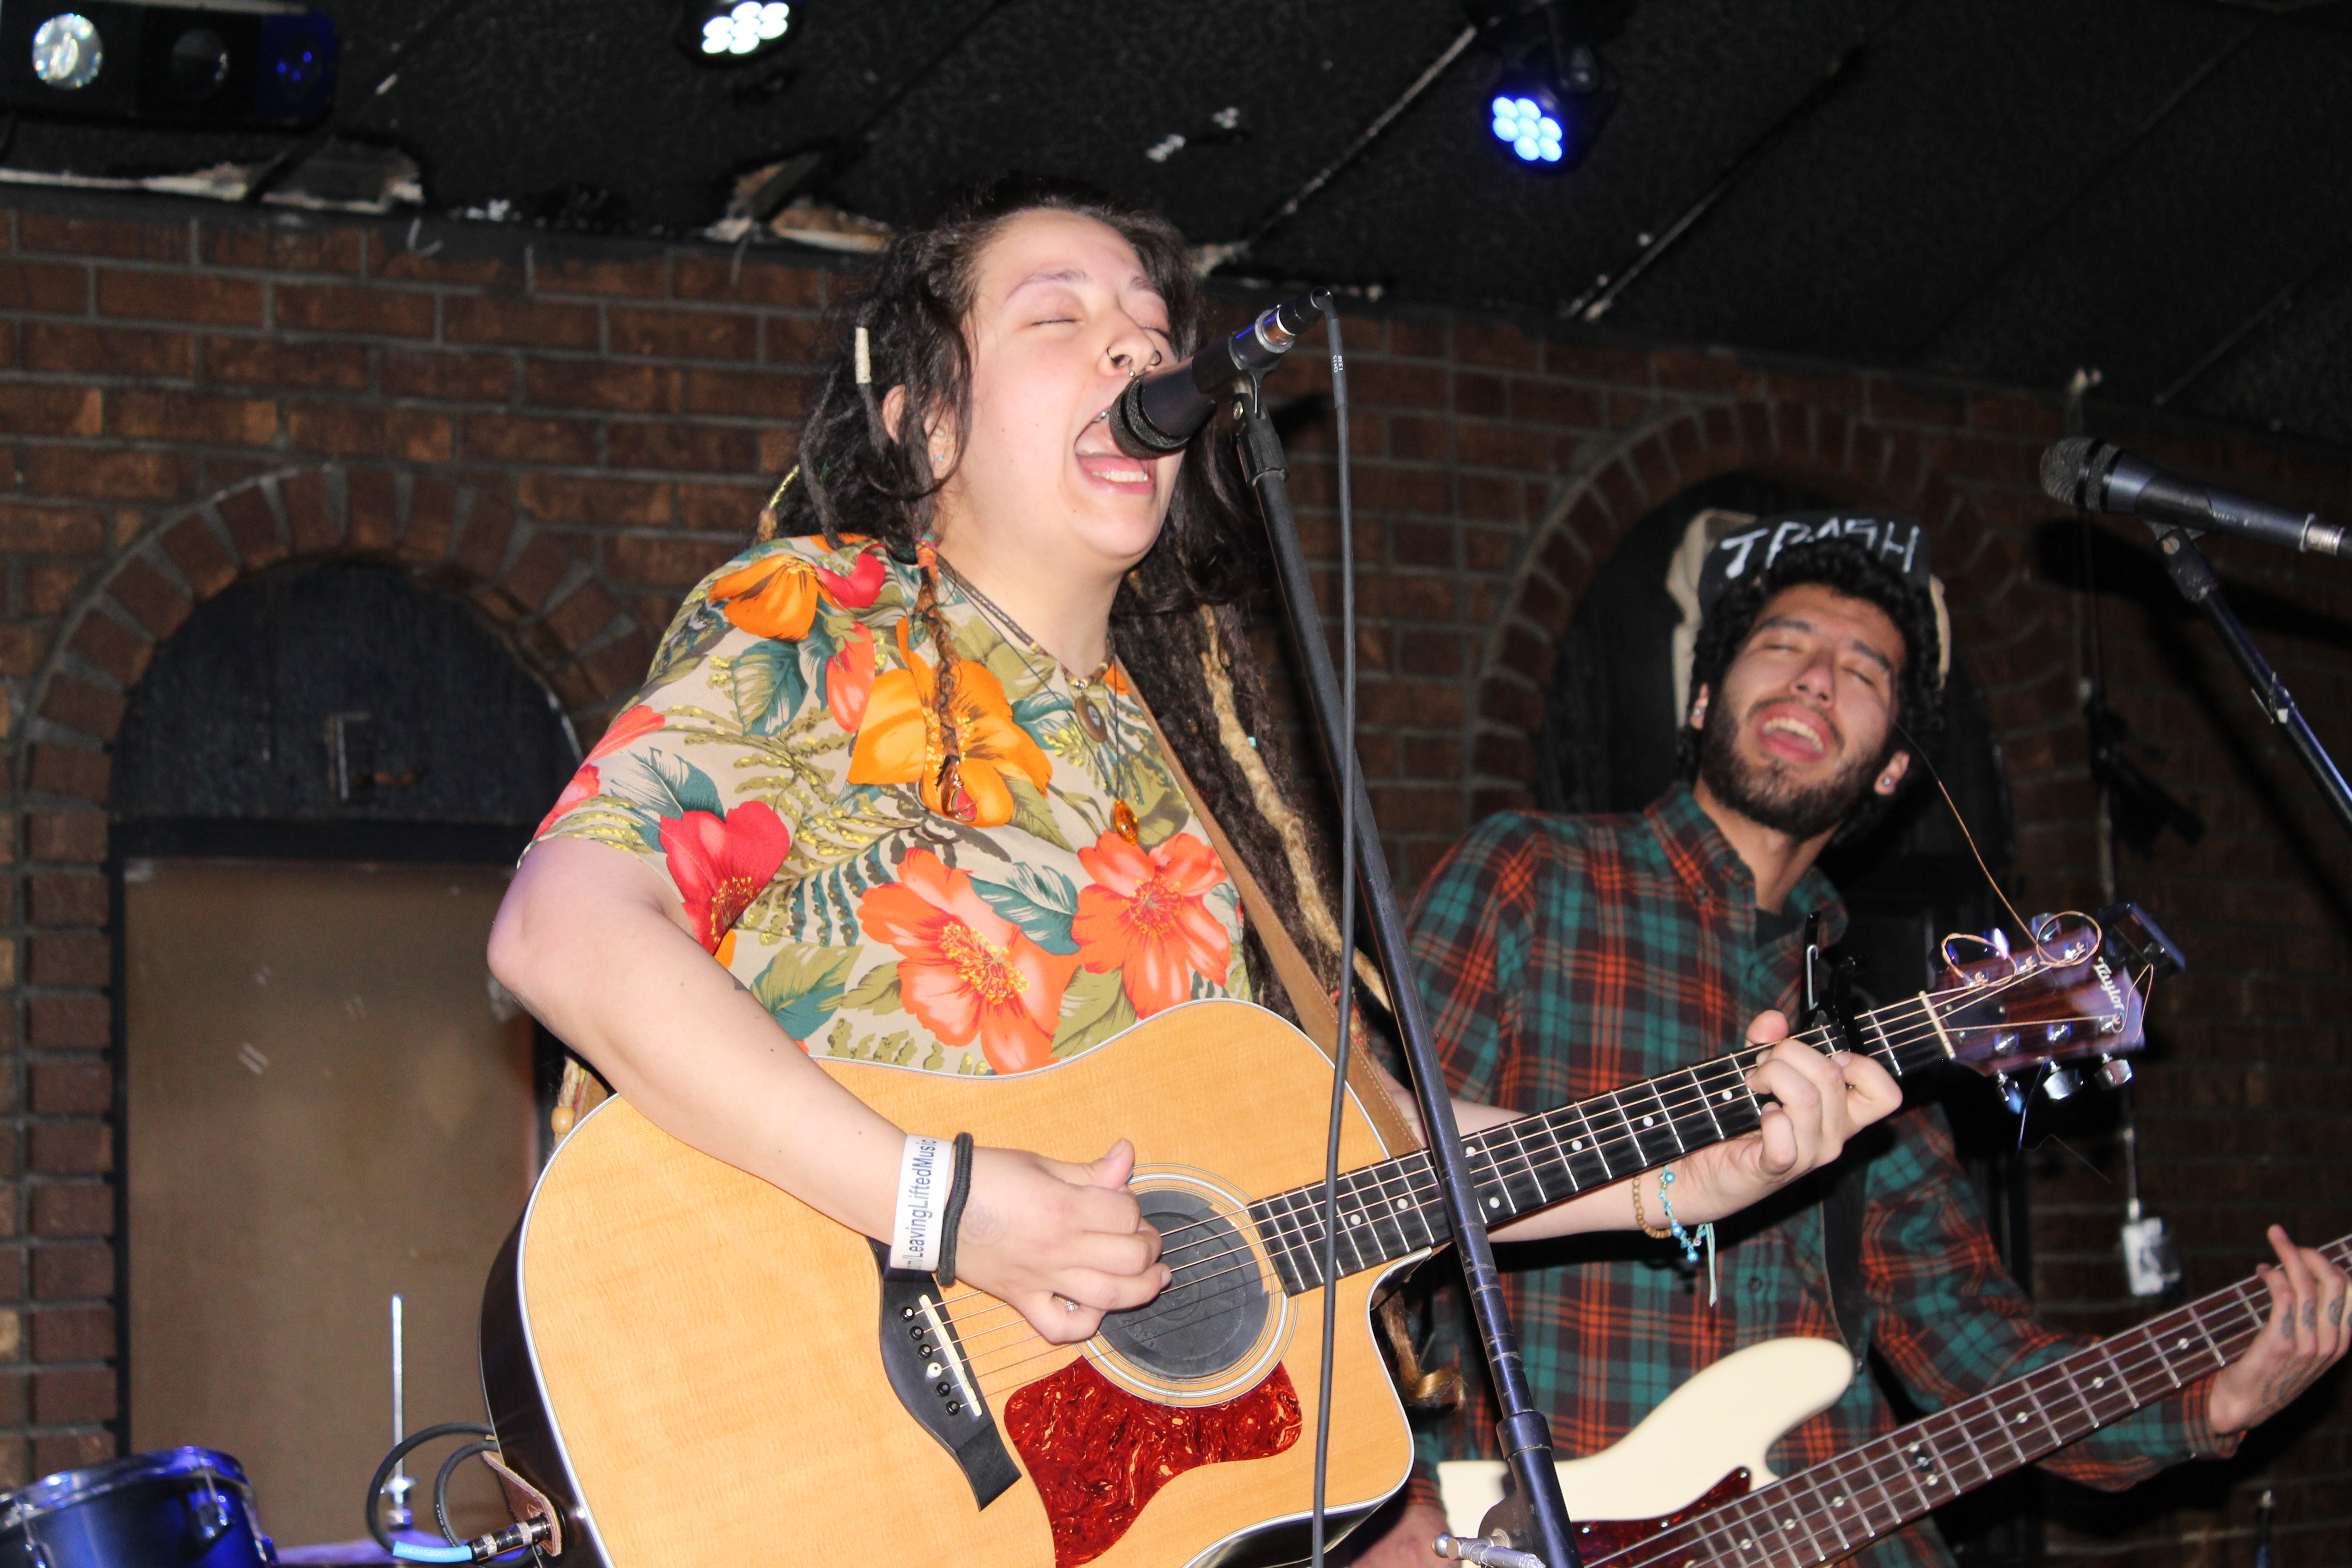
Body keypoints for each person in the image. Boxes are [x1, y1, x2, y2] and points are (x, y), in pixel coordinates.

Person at [485, 181, 1896, 1379]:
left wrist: (1667, 1179)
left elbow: (1354, 1151)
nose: (1129, 352)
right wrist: (940, 1206)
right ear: (921, 423)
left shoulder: (1173, 768)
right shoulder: (827, 613)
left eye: (1151, 333)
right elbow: (567, 932)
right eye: (1058, 319)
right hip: (809, 1391)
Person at [1352, 530, 2350, 1568]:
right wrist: (1396, 1505)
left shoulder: (1877, 1040)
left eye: (1864, 671)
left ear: (1892, 772)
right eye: (1784, 644)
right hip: (1552, 1530)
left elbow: (1969, 1340)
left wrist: (2207, 1404)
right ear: (1702, 703)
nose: (1818, 678)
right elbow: (1374, 1190)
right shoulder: (1528, 880)